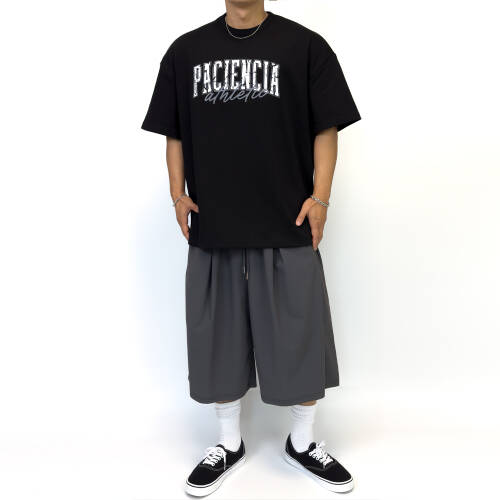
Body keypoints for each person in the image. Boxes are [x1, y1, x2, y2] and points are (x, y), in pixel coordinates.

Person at [142, 0, 360, 496]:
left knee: (300, 331)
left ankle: (302, 442)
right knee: (216, 336)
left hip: (287, 220)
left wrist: (321, 196)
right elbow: (174, 131)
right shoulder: (185, 51)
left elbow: (326, 127)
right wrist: (177, 193)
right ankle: (228, 443)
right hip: (214, 222)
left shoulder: (306, 47)